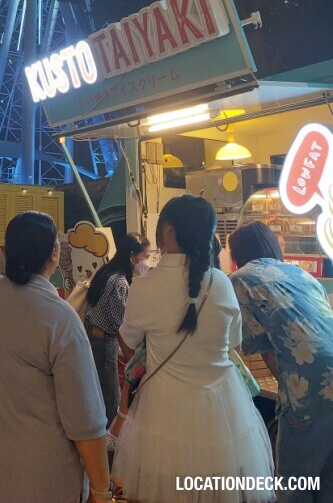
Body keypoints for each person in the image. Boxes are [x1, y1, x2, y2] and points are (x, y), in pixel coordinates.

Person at [110, 195, 274, 502]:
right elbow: (233, 343)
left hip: (164, 408)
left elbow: (128, 344)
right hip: (223, 406)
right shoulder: (222, 283)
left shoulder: (144, 286)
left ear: (168, 232)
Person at [0, 211, 113, 503]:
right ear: (54, 254)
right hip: (44, 482)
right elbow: (86, 420)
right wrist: (101, 490)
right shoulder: (58, 316)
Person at [229, 221, 333, 502]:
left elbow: (264, 351)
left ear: (237, 253)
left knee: (293, 485)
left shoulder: (240, 279)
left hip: (307, 395)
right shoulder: (303, 275)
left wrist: (289, 390)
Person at [85, 232, 147, 425]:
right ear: (132, 256)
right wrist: (130, 357)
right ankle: (111, 446)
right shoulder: (119, 282)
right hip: (104, 342)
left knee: (100, 391)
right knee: (111, 397)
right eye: (144, 257)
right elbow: (120, 323)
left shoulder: (107, 272)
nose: (145, 262)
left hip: (93, 337)